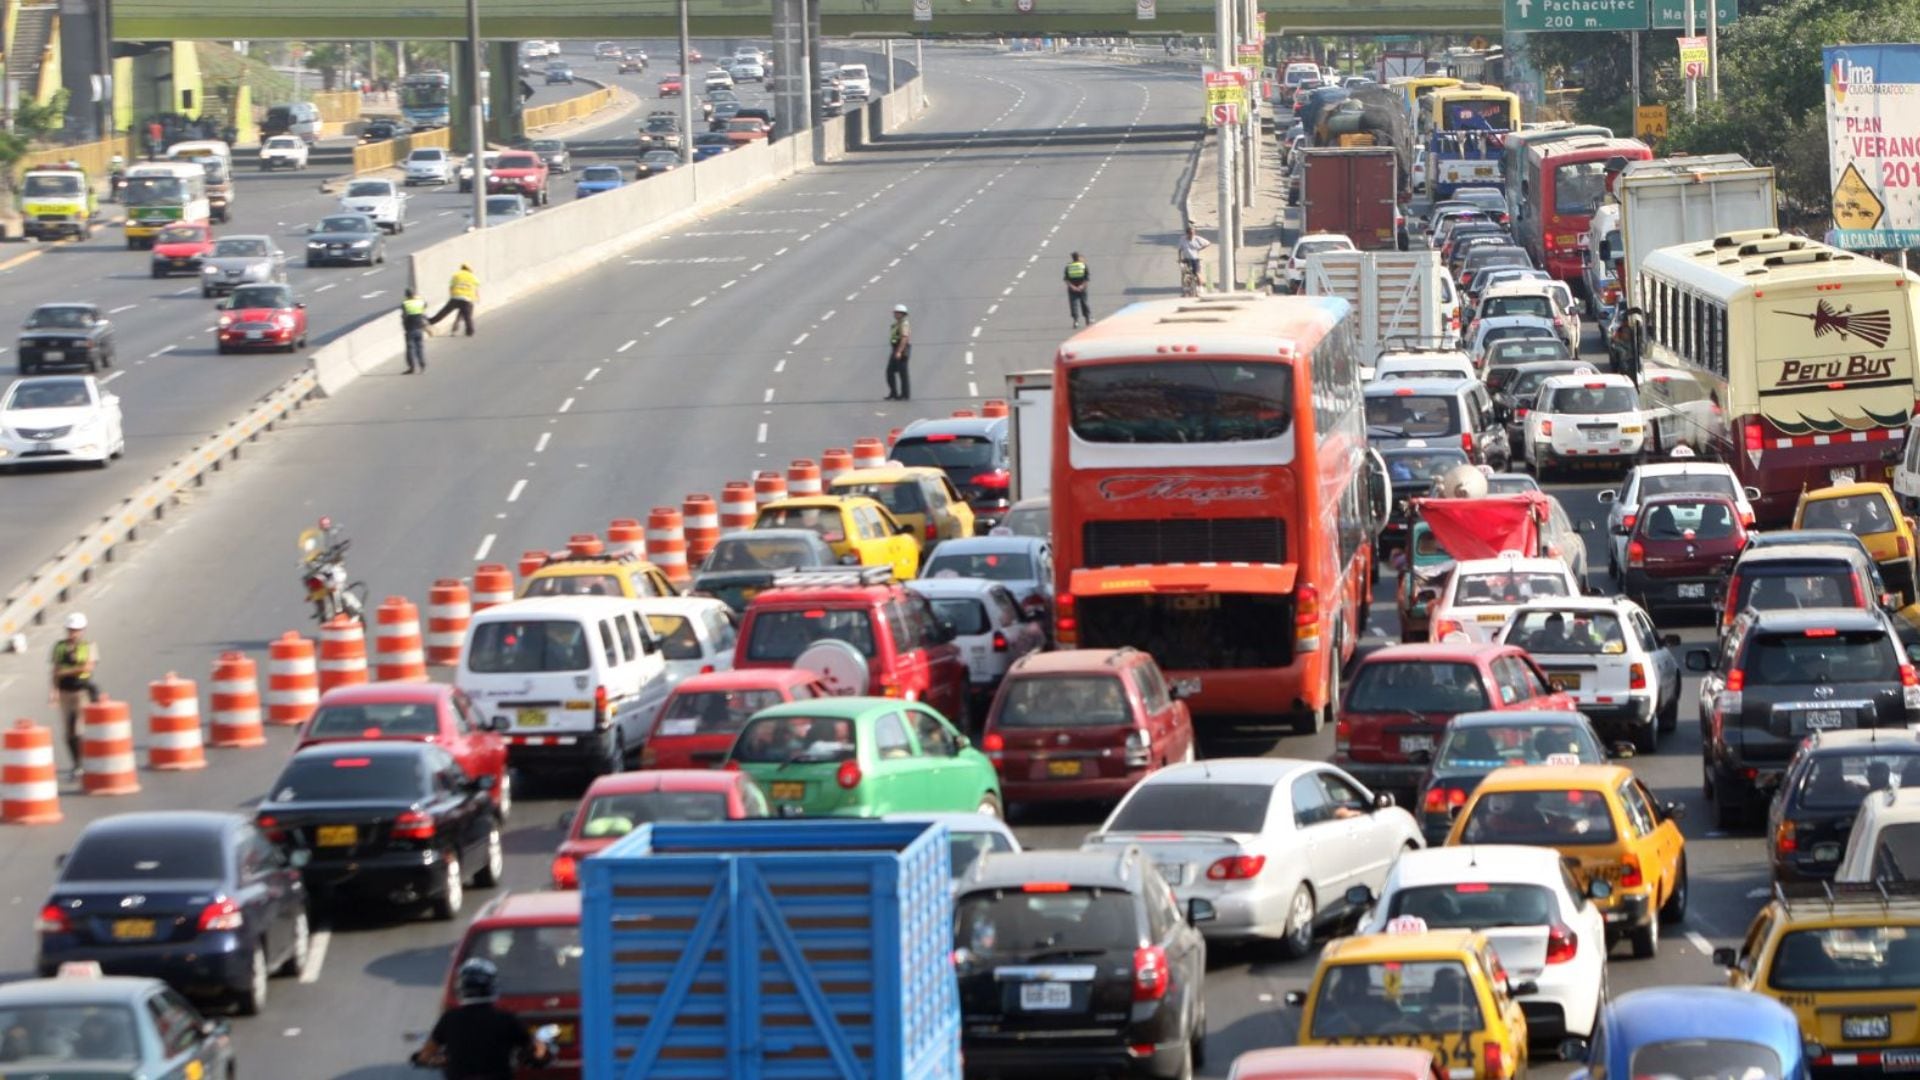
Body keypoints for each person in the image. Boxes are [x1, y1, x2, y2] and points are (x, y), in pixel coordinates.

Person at [411, 958, 550, 1079]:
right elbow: (536, 1051)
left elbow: (426, 1055)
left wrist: (433, 1059)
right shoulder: (507, 1019)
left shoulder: (449, 1019)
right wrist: (542, 1050)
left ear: (461, 986)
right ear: (491, 985)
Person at [51, 613, 100, 777]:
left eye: (77, 630)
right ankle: (77, 763)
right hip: (65, 692)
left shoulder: (88, 646)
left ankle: (85, 762)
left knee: (79, 728)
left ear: (82, 631)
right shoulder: (60, 647)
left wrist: (65, 671)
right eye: (71, 630)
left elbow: (87, 668)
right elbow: (55, 671)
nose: (74, 633)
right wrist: (54, 691)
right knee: (68, 732)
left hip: (81, 691)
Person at [430, 264, 480, 337]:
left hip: (455, 297)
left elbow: (451, 286)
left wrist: (452, 295)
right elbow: (476, 288)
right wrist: (476, 298)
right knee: (467, 317)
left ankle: (430, 321)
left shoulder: (456, 275)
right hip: (466, 299)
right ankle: (470, 331)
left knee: (444, 312)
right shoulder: (472, 277)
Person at [884, 303, 912, 402]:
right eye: (895, 312)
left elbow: (904, 338)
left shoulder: (904, 324)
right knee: (890, 372)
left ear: (902, 314)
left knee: (902, 373)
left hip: (902, 348)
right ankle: (894, 393)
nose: (895, 314)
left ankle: (905, 394)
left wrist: (899, 351)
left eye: (897, 313)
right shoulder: (897, 324)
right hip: (896, 348)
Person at [400, 289, 430, 373]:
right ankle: (422, 364)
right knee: (419, 347)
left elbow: (404, 315)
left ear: (406, 295)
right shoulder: (420, 302)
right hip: (419, 329)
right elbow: (425, 306)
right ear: (414, 294)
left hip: (410, 329)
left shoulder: (405, 304)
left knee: (410, 349)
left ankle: (412, 367)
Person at [1064, 251, 1091, 327]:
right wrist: (1082, 286)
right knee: (1084, 303)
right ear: (1078, 257)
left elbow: (1066, 279)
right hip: (1082, 288)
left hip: (1072, 289)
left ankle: (1076, 321)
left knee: (1073, 304)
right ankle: (1087, 319)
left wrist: (1073, 287)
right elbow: (1087, 278)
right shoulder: (1083, 266)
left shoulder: (1068, 266)